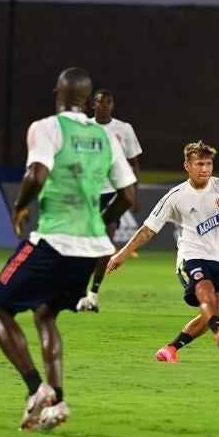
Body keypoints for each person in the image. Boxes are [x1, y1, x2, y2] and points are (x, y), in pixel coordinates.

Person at [0, 67, 136, 431]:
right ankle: (59, 402)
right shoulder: (106, 137)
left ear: (57, 93)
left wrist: (20, 205)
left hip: (55, 241)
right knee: (45, 315)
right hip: (90, 250)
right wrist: (99, 222)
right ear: (88, 100)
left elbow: (36, 175)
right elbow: (129, 196)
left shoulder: (46, 127)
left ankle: (37, 389)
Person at [106, 140, 219, 362]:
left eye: (209, 164)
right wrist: (123, 253)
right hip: (191, 257)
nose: (206, 169)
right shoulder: (176, 197)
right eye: (200, 164)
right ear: (187, 166)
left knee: (217, 306)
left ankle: (170, 349)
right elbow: (148, 229)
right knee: (205, 288)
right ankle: (218, 330)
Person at [77, 89, 142, 313]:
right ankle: (78, 293)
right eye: (100, 102)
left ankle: (93, 293)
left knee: (106, 242)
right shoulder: (83, 127)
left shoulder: (123, 129)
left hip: (114, 193)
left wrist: (134, 192)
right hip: (88, 194)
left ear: (112, 105)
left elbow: (133, 163)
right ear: (93, 105)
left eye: (108, 102)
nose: (104, 105)